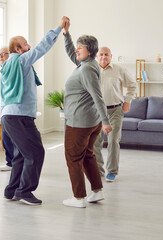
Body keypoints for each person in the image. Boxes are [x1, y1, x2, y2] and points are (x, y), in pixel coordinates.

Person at [0, 16, 69, 206]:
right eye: (25, 43)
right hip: (19, 116)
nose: (29, 45)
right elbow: (42, 47)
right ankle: (24, 191)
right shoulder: (21, 61)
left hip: (9, 115)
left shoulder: (7, 65)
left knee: (22, 153)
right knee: (36, 152)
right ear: (18, 49)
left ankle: (12, 190)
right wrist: (58, 28)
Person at [62, 19, 112, 208]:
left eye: (80, 48)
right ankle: (97, 191)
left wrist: (106, 121)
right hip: (90, 121)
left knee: (73, 157)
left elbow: (98, 97)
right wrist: (67, 34)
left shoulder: (87, 70)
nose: (77, 50)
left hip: (80, 122)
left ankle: (78, 198)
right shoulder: (87, 64)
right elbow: (70, 53)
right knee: (87, 155)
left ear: (89, 51)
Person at [94, 47, 137, 182]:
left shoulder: (119, 69)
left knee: (113, 140)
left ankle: (112, 171)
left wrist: (128, 101)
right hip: (97, 112)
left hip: (115, 110)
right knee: (95, 142)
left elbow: (132, 85)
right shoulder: (92, 70)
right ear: (97, 56)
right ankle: (97, 171)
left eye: (106, 54)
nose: (103, 57)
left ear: (111, 56)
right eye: (101, 54)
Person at [0, 47, 14, 171]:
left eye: (3, 54)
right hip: (3, 107)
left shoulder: (13, 68)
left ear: (9, 55)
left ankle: (16, 162)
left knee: (12, 136)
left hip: (12, 107)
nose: (0, 57)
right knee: (6, 137)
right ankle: (10, 162)